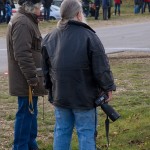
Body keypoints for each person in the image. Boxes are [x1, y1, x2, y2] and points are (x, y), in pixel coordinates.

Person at [42, 0, 116, 149]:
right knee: (86, 132)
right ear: (78, 14)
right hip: (84, 97)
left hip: (61, 95)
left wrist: (50, 90)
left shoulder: (50, 37)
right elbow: (101, 67)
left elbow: (45, 71)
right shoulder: (89, 36)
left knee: (62, 132)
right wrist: (108, 87)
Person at [6, 0, 47, 149]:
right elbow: (22, 54)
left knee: (30, 113)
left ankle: (30, 144)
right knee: (25, 114)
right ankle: (20, 147)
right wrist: (32, 78)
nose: (41, 9)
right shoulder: (23, 23)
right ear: (32, 7)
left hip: (29, 79)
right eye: (39, 6)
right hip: (26, 80)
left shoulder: (27, 20)